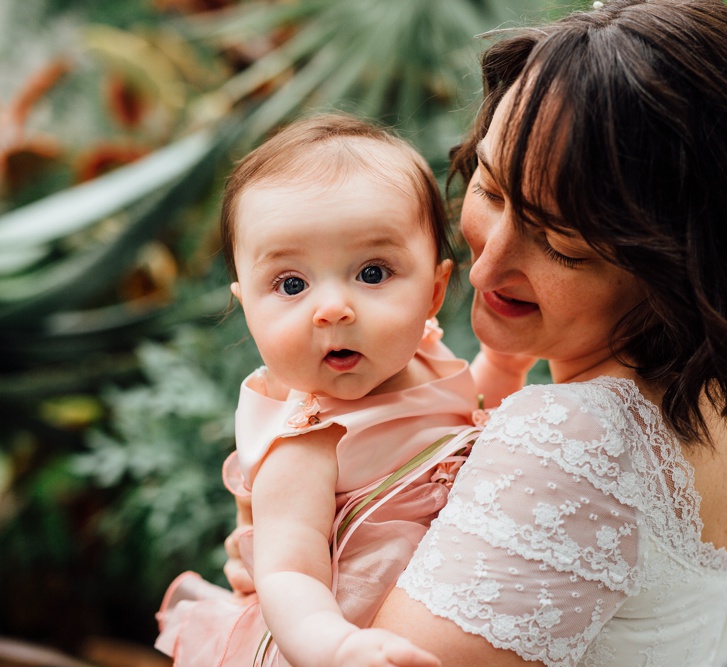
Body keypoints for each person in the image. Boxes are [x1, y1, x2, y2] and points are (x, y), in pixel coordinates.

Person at [227, 0, 727, 665]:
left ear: (678, 260)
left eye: (558, 241)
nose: (485, 264)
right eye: (490, 187)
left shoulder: (579, 446)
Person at [155, 113, 496, 667]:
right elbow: (288, 572)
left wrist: (502, 367)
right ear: (249, 311)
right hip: (347, 639)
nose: (332, 308)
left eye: (372, 273)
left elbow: (464, 414)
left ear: (434, 292)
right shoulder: (308, 441)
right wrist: (336, 647)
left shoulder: (427, 354)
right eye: (291, 284)